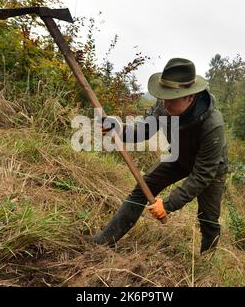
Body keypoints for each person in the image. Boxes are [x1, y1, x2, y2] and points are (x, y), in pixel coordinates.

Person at [93, 58, 228, 253]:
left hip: (211, 170)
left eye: (171, 99)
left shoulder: (212, 124)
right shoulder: (165, 106)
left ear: (189, 97)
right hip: (179, 158)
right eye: (163, 97)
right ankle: (105, 241)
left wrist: (168, 204)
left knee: (208, 218)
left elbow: (202, 174)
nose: (165, 103)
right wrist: (120, 130)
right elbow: (144, 129)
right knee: (142, 189)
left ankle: (206, 260)